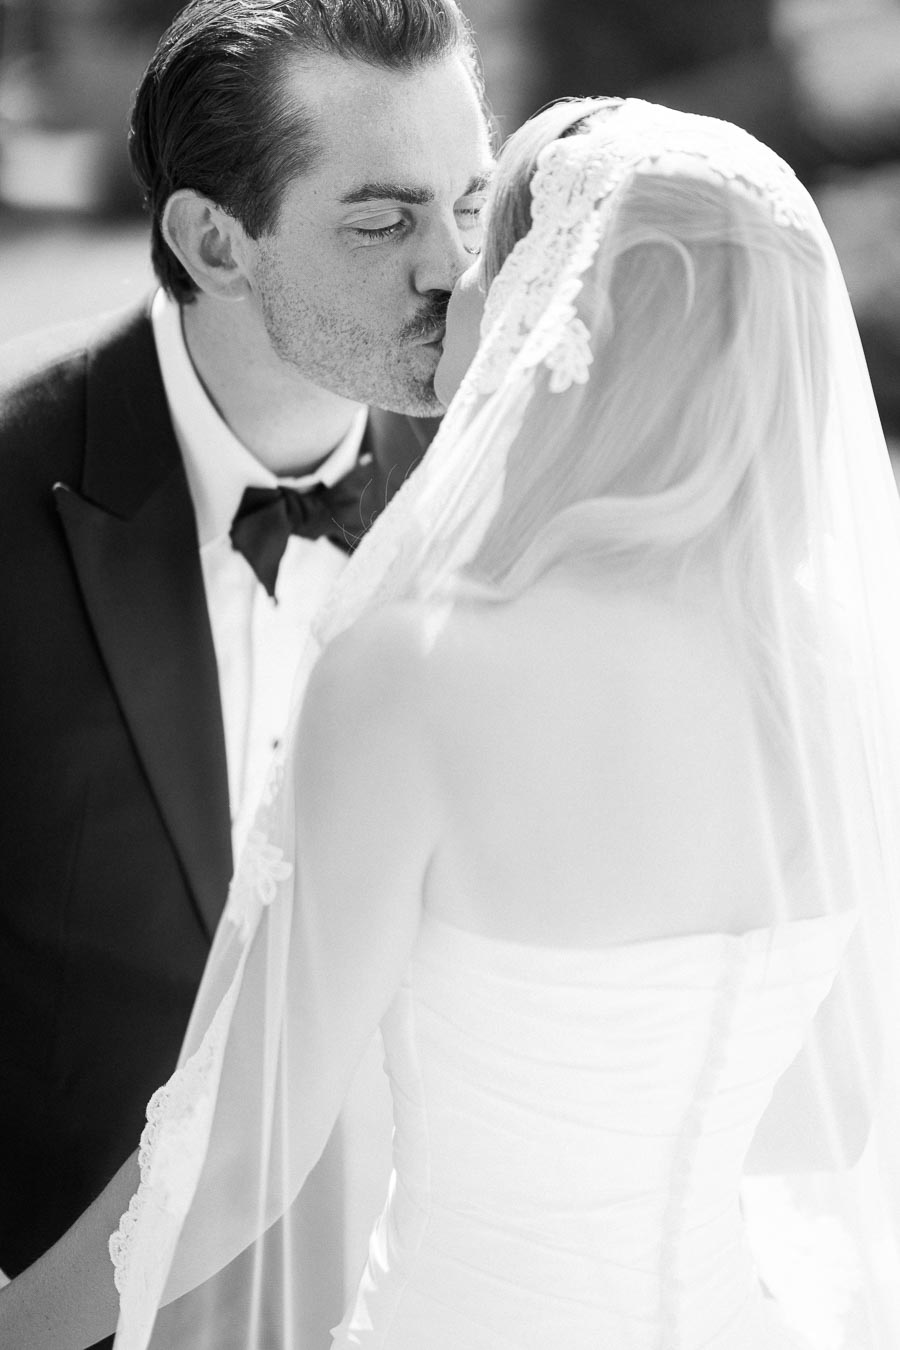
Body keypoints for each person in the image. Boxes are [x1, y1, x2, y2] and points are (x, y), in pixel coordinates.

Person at [4, 96, 900, 1349]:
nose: (451, 288)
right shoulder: (833, 665)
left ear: (561, 315)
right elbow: (838, 1108)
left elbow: (247, 1160)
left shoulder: (418, 675)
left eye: (486, 254)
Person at [0, 0, 493, 1343]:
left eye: (472, 200)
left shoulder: (512, 492)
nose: (456, 267)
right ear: (215, 241)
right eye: (384, 222)